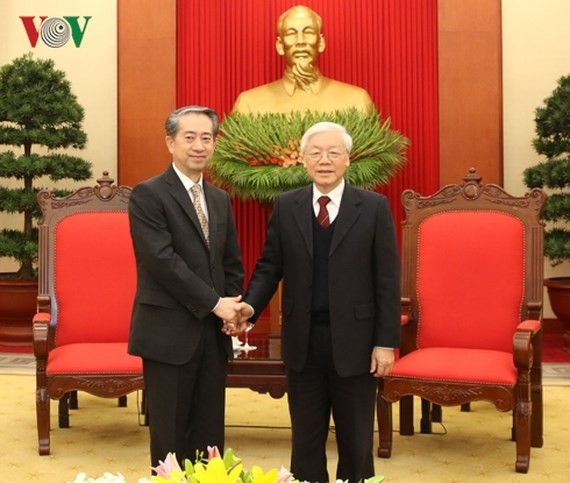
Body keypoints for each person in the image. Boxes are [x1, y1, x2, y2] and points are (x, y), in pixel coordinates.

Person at [236, 122, 401, 482]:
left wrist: (385, 343)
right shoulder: (287, 206)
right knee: (306, 441)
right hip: (303, 341)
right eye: (316, 153)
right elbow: (269, 266)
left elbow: (387, 280)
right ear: (304, 160)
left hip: (357, 344)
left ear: (347, 159)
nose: (324, 160)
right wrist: (250, 306)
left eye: (333, 153)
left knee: (356, 440)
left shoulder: (373, 208)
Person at [127, 106, 246, 469]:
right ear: (170, 142)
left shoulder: (219, 199)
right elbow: (163, 263)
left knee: (210, 435)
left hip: (212, 334)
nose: (199, 146)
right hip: (168, 334)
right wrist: (216, 304)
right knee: (170, 436)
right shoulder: (148, 195)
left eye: (206, 138)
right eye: (189, 137)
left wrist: (235, 309)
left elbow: (230, 263)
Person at [231, 5, 375, 115]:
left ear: (320, 43)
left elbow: (377, 154)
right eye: (291, 34)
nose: (300, 41)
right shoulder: (248, 104)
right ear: (280, 46)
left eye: (308, 32)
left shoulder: (357, 101)